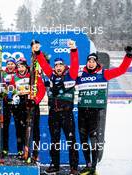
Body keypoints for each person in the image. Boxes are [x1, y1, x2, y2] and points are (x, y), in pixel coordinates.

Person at [77, 46, 132, 175]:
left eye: (93, 61)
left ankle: (94, 168)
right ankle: (88, 165)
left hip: (94, 111)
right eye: (89, 61)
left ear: (96, 63)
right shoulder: (80, 75)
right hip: (82, 111)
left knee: (94, 140)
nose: (91, 63)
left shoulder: (103, 73)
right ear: (86, 63)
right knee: (83, 139)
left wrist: (128, 56)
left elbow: (121, 70)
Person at [34, 40, 79, 174]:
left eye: (60, 65)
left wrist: (73, 49)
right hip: (53, 113)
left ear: (64, 66)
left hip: (66, 114)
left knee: (71, 140)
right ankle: (55, 165)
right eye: (56, 65)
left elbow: (75, 63)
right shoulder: (51, 75)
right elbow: (42, 62)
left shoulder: (71, 75)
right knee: (54, 140)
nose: (58, 67)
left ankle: (74, 167)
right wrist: (37, 52)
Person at [11, 57, 45, 162]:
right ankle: (23, 151)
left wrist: (36, 100)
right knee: (21, 129)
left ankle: (35, 153)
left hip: (32, 104)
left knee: (34, 129)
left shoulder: (33, 75)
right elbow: (11, 90)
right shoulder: (14, 77)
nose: (21, 69)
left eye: (22, 66)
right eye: (19, 67)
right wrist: (14, 96)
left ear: (26, 66)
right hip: (21, 105)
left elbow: (42, 90)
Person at [1, 57, 16, 158]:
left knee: (20, 126)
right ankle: (4, 149)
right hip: (6, 103)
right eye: (8, 64)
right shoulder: (2, 74)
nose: (10, 66)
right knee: (4, 126)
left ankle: (21, 149)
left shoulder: (18, 73)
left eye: (12, 64)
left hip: (16, 103)